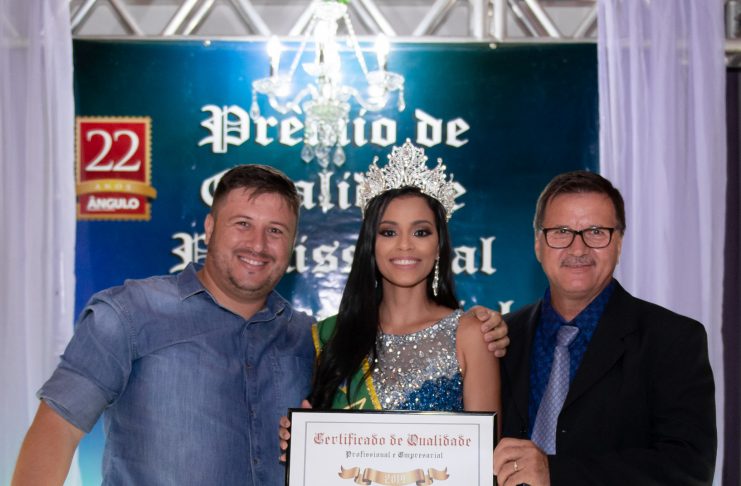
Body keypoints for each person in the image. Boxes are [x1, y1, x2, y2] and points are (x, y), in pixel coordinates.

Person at [12, 164, 509, 486]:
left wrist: (308, 438)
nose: (258, 244)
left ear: (292, 246)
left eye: (276, 231)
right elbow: (55, 432)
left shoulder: (309, 338)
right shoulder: (130, 313)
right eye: (242, 224)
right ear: (210, 228)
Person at [493, 171, 717, 486]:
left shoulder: (673, 339)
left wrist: (555, 473)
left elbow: (688, 468)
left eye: (596, 232)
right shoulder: (502, 338)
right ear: (538, 244)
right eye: (561, 232)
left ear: (619, 243)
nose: (578, 249)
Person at [309, 140, 500, 414]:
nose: (405, 245)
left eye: (420, 232)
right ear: (371, 245)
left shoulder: (470, 335)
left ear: (439, 246)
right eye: (389, 232)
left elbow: (485, 442)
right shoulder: (332, 337)